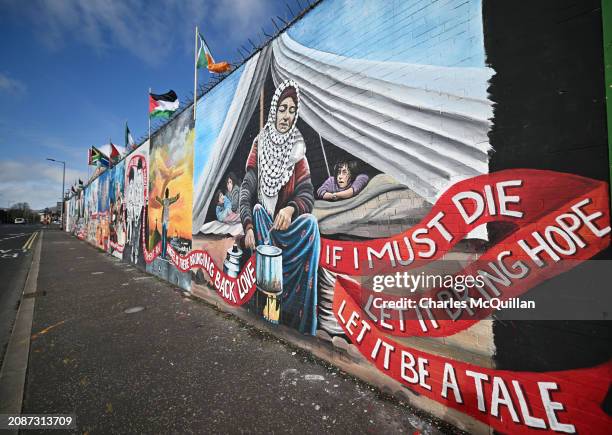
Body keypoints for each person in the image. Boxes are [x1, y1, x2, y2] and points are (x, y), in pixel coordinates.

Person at [239, 79, 320, 335]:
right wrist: (248, 226)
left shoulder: (298, 148)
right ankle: (267, 310)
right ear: (274, 110)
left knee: (312, 224)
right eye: (282, 108)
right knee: (258, 211)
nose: (286, 115)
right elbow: (246, 189)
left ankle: (299, 322)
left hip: (286, 231)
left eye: (292, 110)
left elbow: (307, 192)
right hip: (264, 232)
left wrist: (291, 209)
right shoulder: (260, 145)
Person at [155, 187, 180, 258]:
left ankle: (163, 254)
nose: (166, 193)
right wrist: (177, 197)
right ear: (167, 194)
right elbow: (174, 199)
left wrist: (177, 197)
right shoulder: (167, 201)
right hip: (165, 221)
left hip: (164, 221)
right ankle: (163, 254)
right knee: (164, 238)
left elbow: (174, 199)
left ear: (166, 193)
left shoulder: (166, 201)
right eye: (167, 192)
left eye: (166, 192)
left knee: (164, 238)